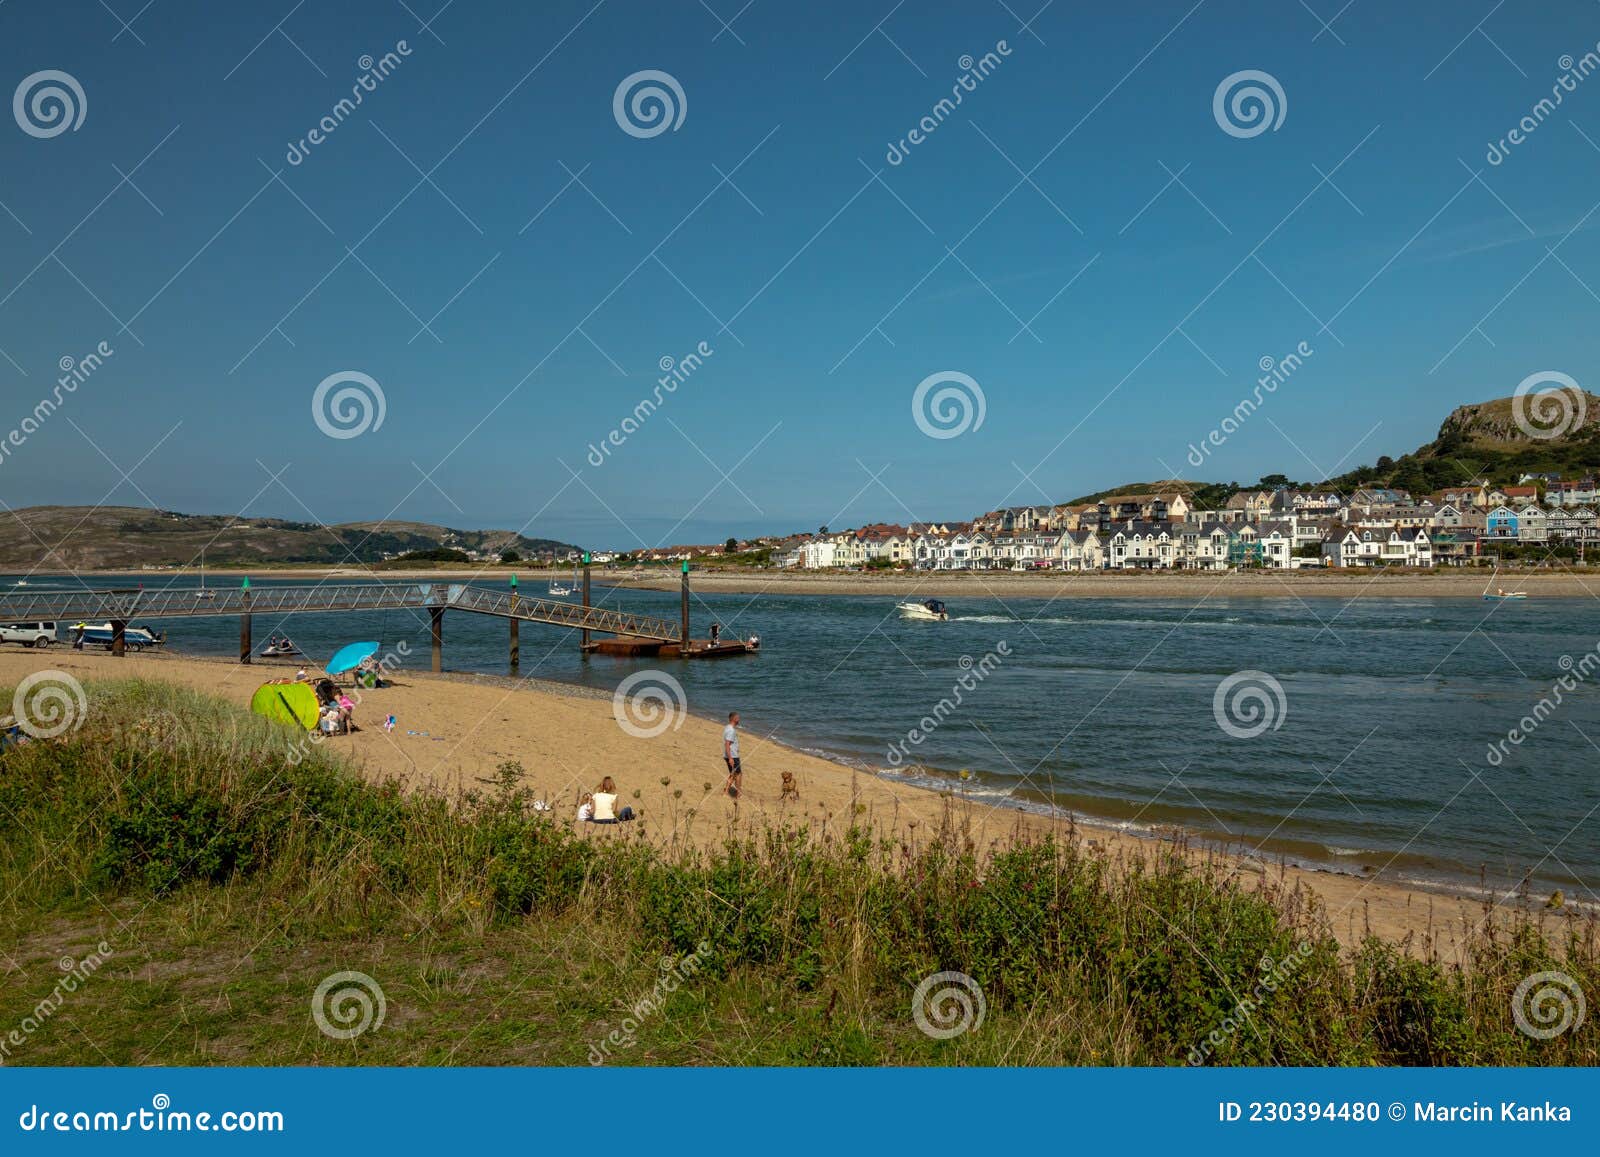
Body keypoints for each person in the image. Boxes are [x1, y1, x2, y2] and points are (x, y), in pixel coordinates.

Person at [723, 711, 742, 798]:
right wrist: (730, 758)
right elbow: (727, 744)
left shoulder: (727, 727)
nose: (739, 719)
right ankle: (738, 793)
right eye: (738, 718)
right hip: (733, 756)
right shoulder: (731, 730)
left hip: (729, 755)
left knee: (733, 774)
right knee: (738, 774)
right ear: (734, 719)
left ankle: (726, 791)